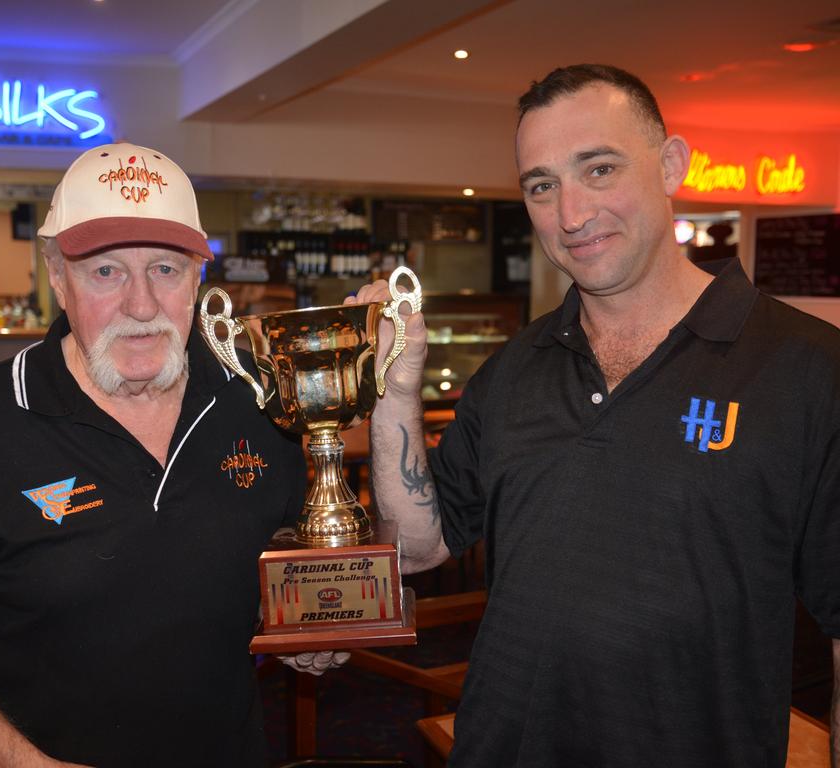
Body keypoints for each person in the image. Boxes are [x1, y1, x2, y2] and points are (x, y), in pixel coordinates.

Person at [359, 64, 840, 767]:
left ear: (671, 164)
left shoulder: (807, 367)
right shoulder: (515, 368)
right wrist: (394, 390)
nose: (571, 214)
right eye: (541, 185)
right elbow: (418, 549)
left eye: (599, 169)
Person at [0, 142, 343, 767]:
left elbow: (287, 562)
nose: (141, 305)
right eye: (105, 271)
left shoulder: (260, 399)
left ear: (198, 276)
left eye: (165, 268)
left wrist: (305, 623)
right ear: (58, 276)